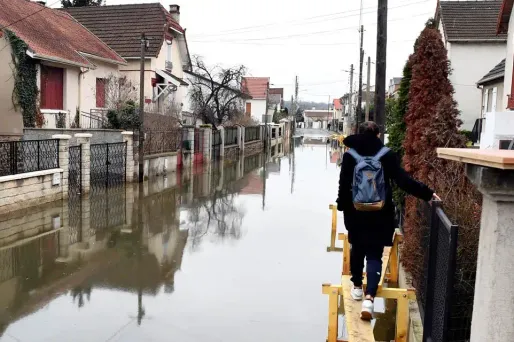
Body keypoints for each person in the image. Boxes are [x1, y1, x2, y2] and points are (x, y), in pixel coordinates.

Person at [336, 121, 440, 320]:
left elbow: (343, 185)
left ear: (360, 133)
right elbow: (403, 180)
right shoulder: (387, 155)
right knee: (375, 254)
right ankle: (369, 298)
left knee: (357, 247)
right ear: (378, 134)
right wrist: (427, 194)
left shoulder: (350, 156)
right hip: (381, 213)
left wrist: (342, 206)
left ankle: (357, 286)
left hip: (355, 212)